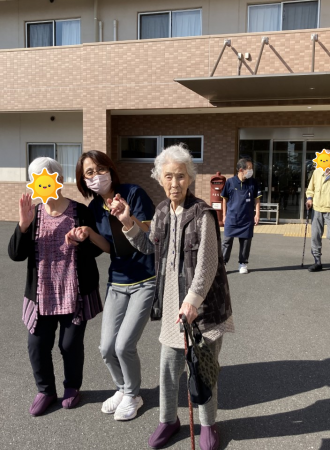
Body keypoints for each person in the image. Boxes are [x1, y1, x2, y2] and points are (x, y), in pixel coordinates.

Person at [110, 145, 234, 450]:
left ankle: (208, 424)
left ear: (189, 178)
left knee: (203, 371)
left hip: (203, 310)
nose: (175, 183)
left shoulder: (202, 214)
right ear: (160, 179)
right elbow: (149, 246)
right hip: (171, 309)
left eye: (180, 176)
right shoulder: (162, 211)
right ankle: (168, 420)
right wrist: (127, 221)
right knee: (168, 369)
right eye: (169, 176)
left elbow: (207, 264)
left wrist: (192, 300)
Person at [8, 157, 108, 417]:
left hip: (74, 294)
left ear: (59, 180)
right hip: (42, 295)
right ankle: (45, 391)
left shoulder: (80, 211)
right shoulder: (34, 214)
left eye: (45, 179)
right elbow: (16, 255)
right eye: (35, 180)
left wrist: (81, 241)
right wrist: (23, 226)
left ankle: (72, 387)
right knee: (37, 344)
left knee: (69, 345)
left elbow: (97, 251)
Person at [75, 150, 156, 421]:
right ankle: (123, 388)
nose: (96, 176)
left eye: (100, 169)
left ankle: (133, 394)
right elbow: (110, 248)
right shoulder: (93, 209)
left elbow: (151, 233)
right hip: (117, 281)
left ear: (110, 169)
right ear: (83, 180)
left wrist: (127, 218)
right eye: (89, 173)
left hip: (145, 279)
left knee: (123, 346)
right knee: (106, 348)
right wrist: (89, 233)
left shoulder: (133, 193)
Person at [221, 158, 262, 274]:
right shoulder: (230, 182)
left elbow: (257, 199)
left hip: (247, 218)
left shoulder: (253, 182)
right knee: (227, 241)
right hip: (231, 217)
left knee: (246, 242)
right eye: (249, 169)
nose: (251, 171)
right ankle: (223, 264)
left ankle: (243, 263)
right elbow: (224, 199)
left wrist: (257, 214)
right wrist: (224, 215)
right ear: (241, 170)